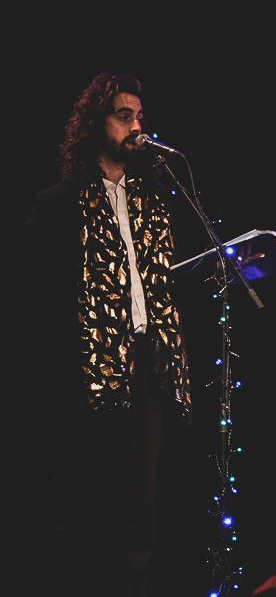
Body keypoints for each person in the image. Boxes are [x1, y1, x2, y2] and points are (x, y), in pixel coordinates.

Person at [22, 72, 190, 596]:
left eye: (140, 117)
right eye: (124, 116)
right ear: (96, 122)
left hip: (147, 366)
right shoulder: (59, 202)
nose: (136, 126)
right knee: (74, 506)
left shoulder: (155, 203)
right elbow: (35, 300)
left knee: (139, 511)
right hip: (84, 372)